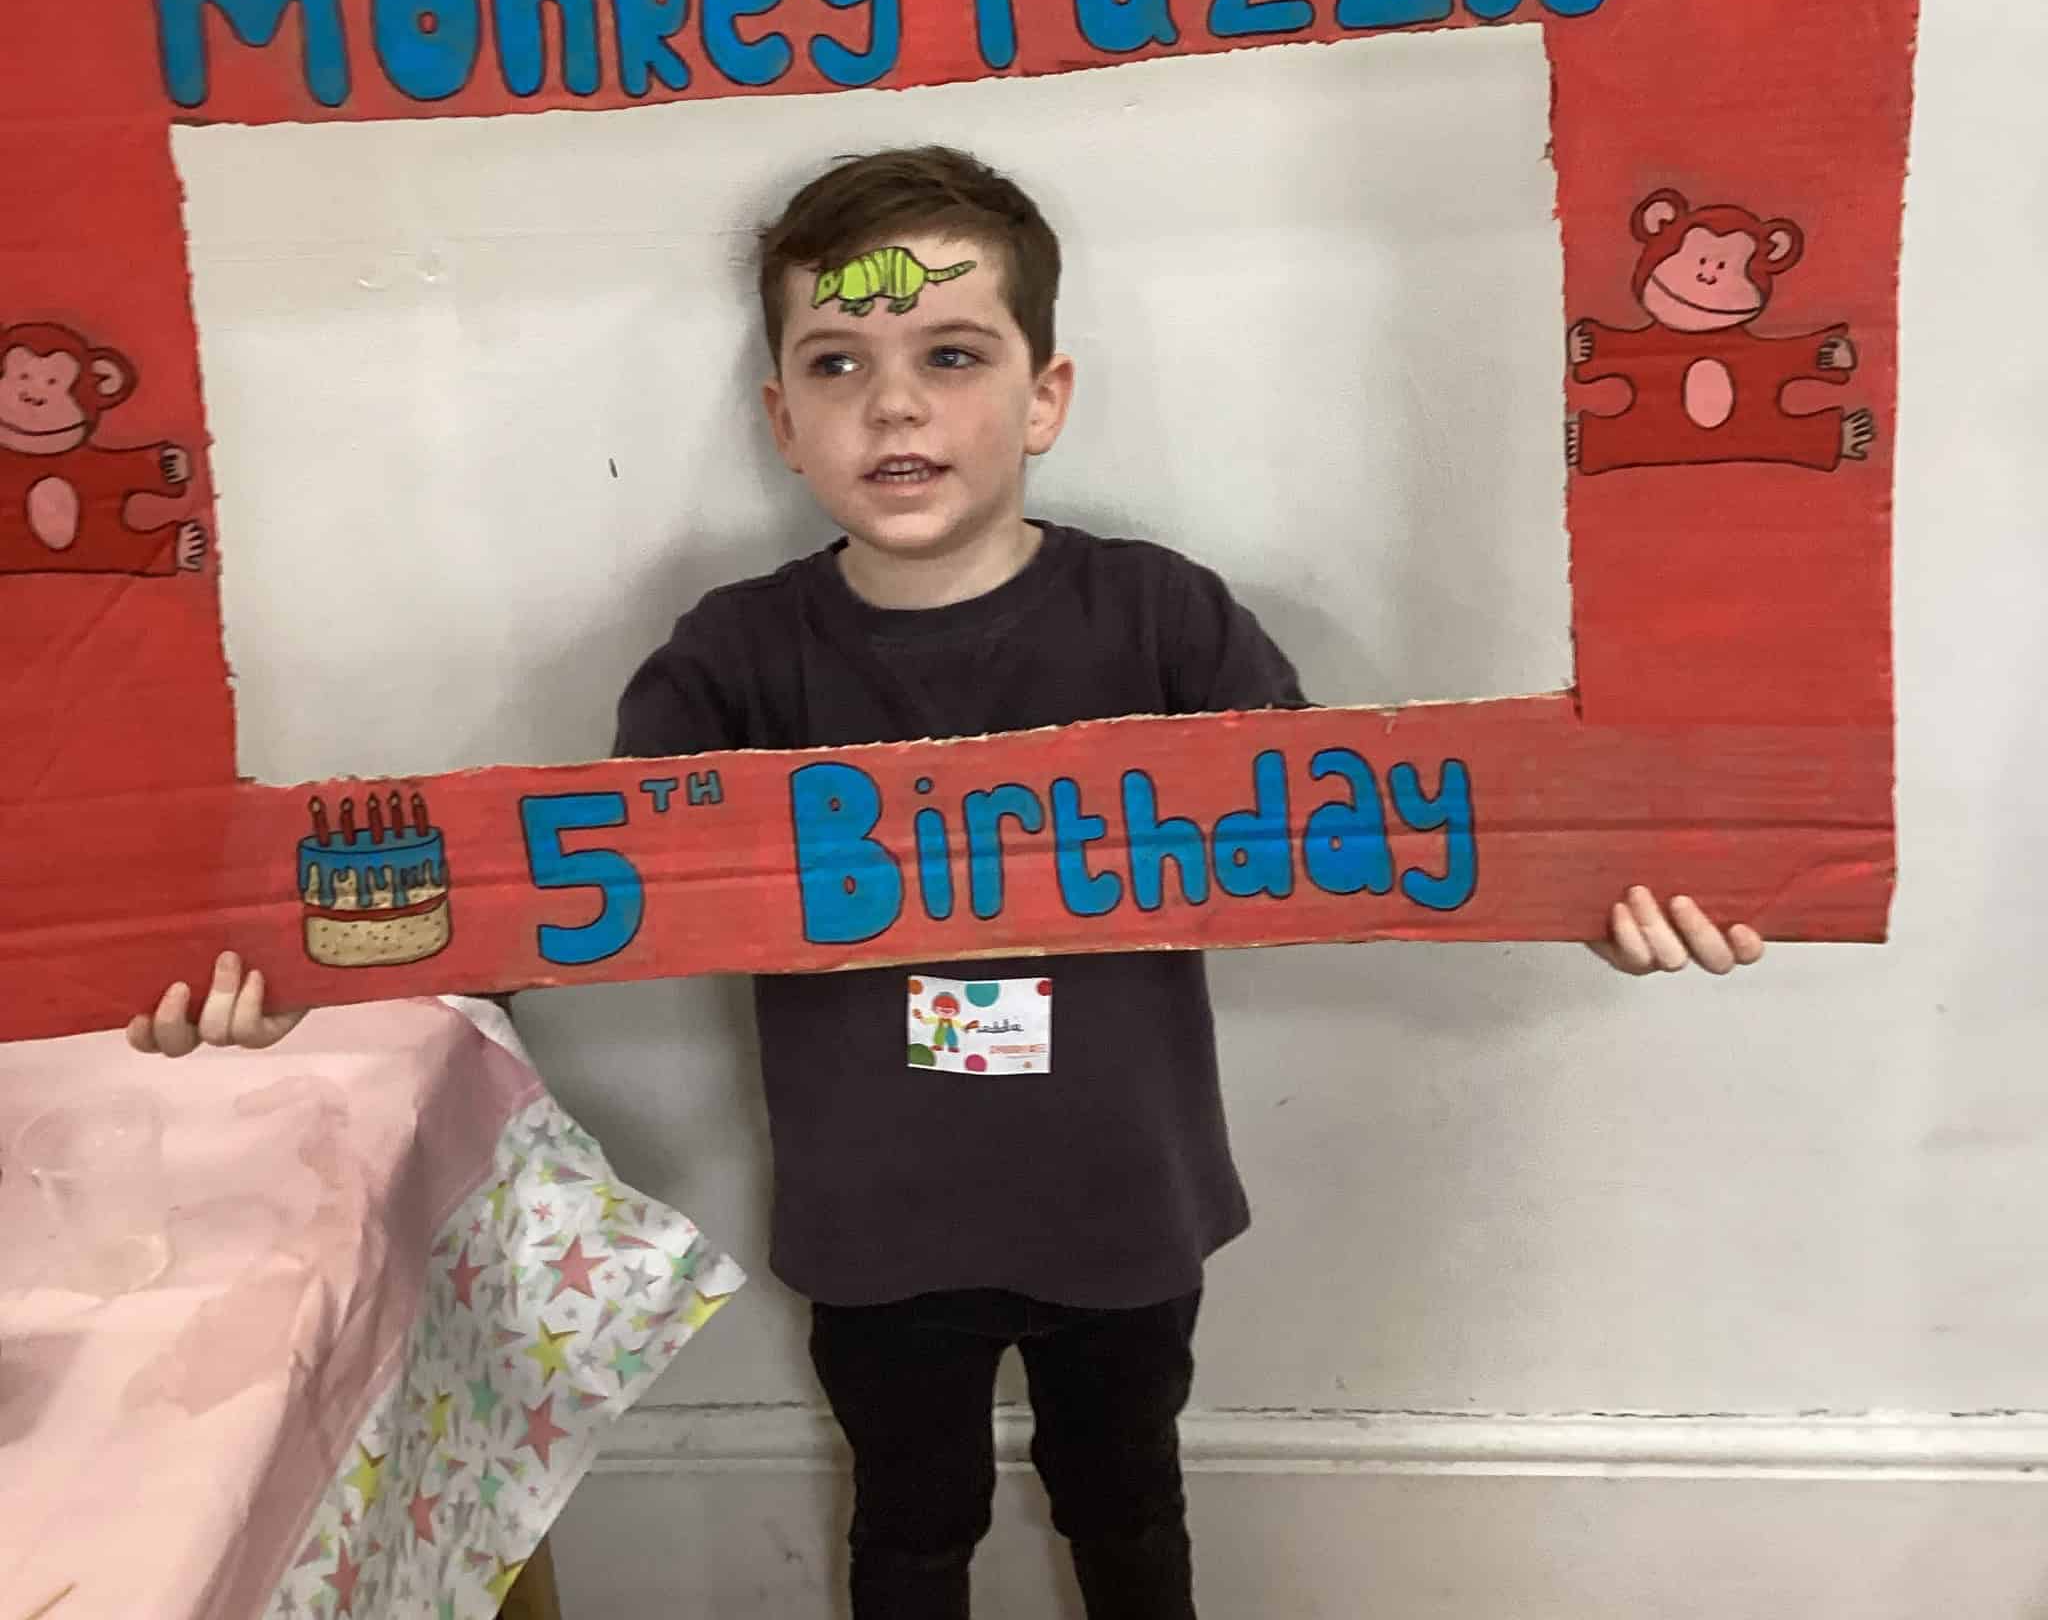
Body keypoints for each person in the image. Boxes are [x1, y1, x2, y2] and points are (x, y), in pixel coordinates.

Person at [131, 145, 1764, 1619]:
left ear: (1044, 397)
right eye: (837, 363)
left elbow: (1385, 837)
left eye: (950, 357)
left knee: (1129, 1498)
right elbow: (560, 892)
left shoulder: (1163, 621)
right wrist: (286, 962)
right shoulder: (732, 662)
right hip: (880, 1225)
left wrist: (1598, 888)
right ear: (781, 415)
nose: (893, 407)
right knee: (911, 1520)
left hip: (1126, 1208)